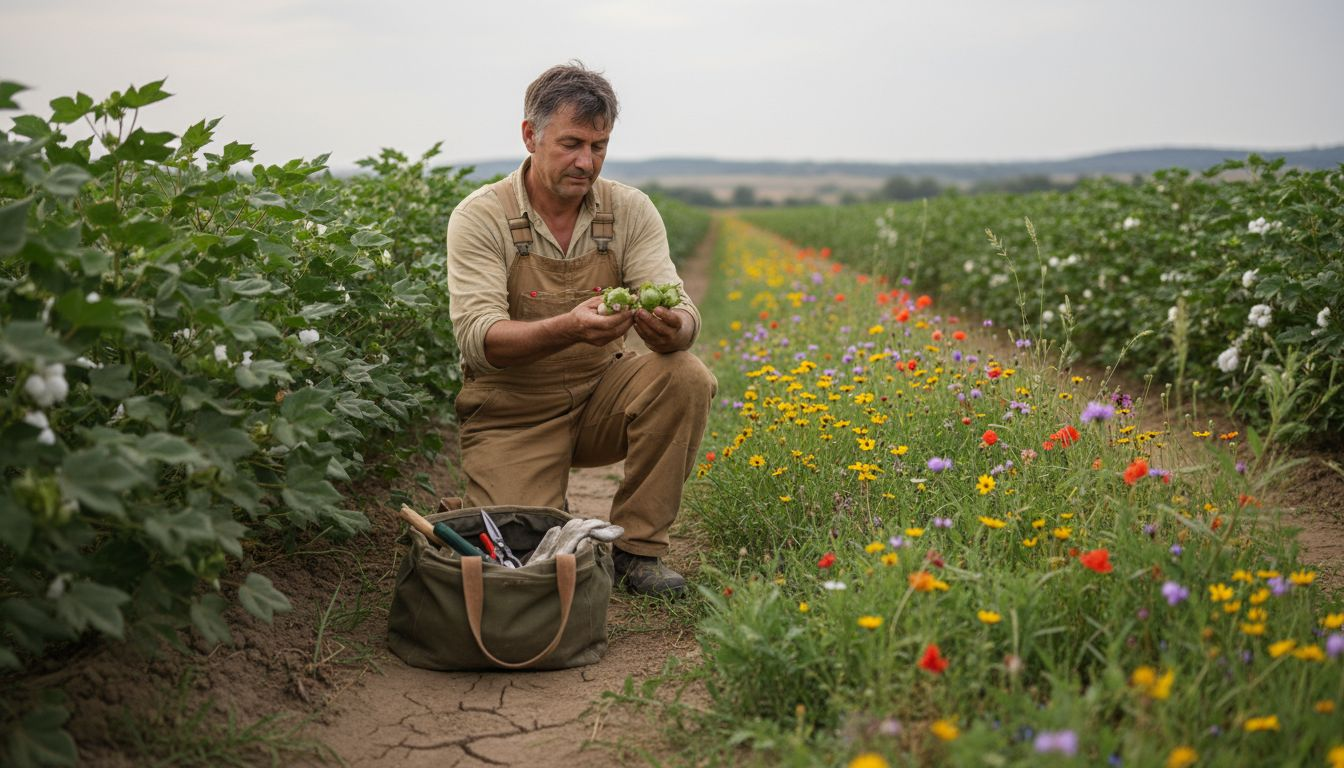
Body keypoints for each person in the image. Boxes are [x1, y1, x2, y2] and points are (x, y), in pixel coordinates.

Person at [444, 62, 716, 597]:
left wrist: (673, 329)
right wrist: (570, 326)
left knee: (684, 374)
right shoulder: (481, 217)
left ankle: (637, 554)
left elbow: (682, 310)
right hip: (511, 413)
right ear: (530, 135)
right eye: (571, 143)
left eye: (599, 145)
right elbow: (478, 338)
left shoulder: (629, 209)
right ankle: (528, 507)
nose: (585, 161)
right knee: (524, 560)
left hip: (599, 396)